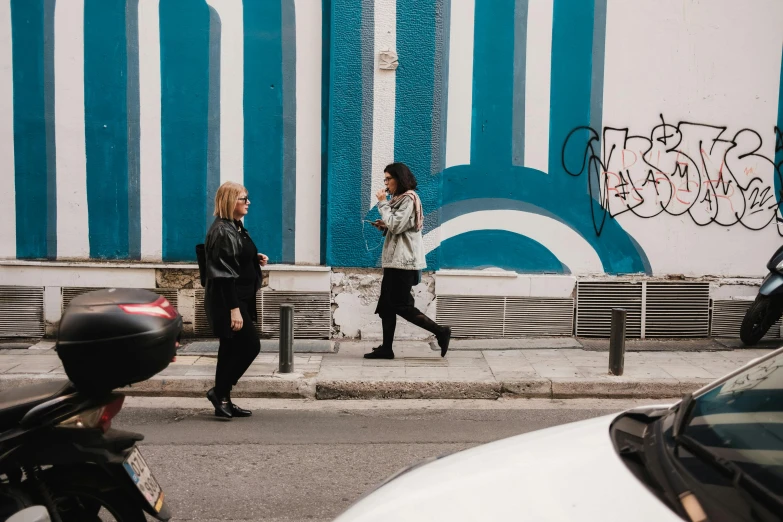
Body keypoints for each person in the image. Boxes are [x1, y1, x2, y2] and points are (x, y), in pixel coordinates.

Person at [366, 162, 451, 359]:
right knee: (387, 306)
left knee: (401, 305)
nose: (386, 183)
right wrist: (384, 226)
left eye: (388, 178)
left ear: (399, 179)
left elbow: (396, 225)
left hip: (403, 263)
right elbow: (397, 227)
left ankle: (441, 331)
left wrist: (382, 203)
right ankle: (387, 348)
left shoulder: (409, 199)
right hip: (394, 262)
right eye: (384, 179)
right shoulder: (399, 200)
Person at [203, 182, 269, 418]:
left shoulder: (235, 226)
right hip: (229, 300)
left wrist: (254, 259)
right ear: (231, 202)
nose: (248, 202)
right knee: (251, 345)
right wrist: (234, 310)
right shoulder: (222, 230)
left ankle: (223, 400)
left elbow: (235, 257)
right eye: (244, 198)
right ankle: (219, 391)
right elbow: (223, 275)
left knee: (229, 349)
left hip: (240, 297)